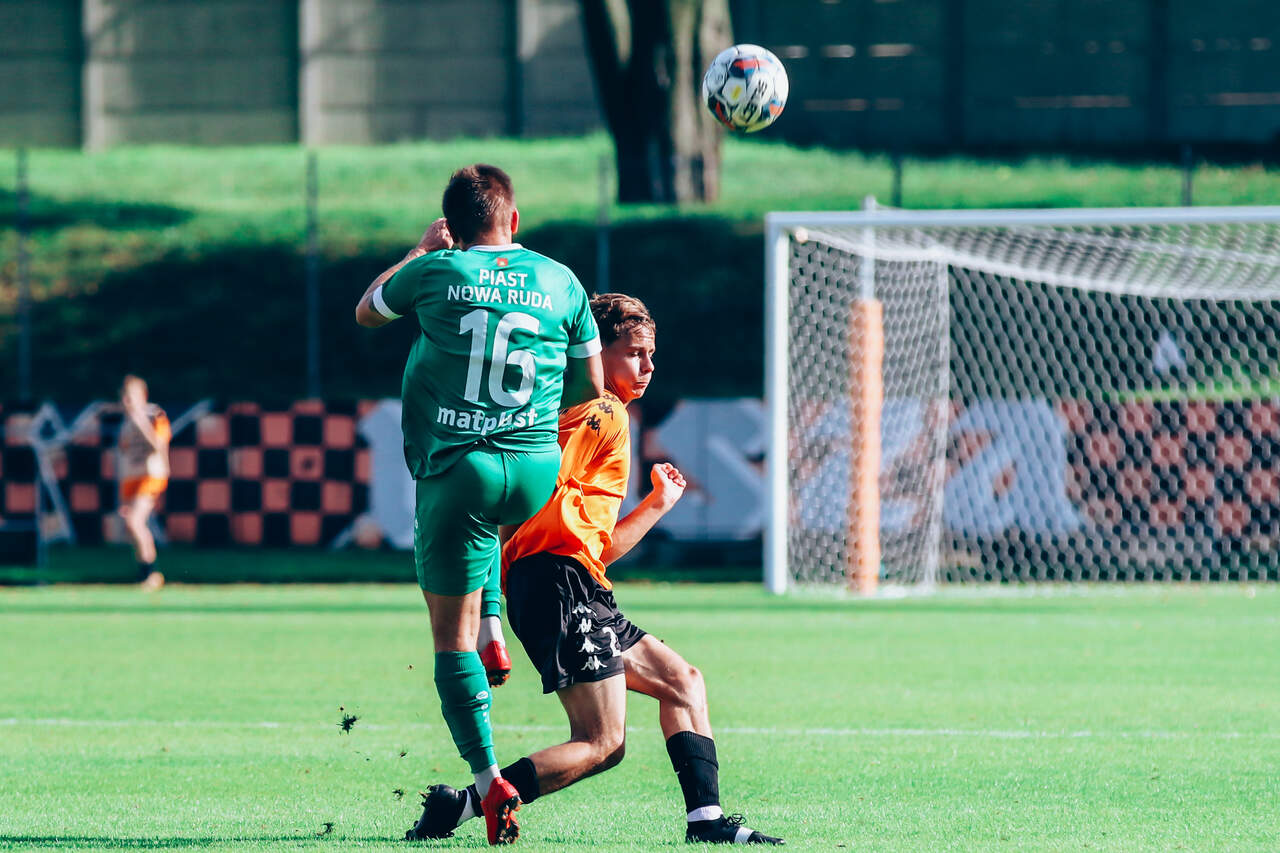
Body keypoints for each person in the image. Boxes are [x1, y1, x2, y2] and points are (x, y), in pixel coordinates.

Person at [406, 294, 783, 846]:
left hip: (576, 581)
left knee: (683, 682)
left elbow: (595, 548)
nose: (648, 366)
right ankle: (468, 803)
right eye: (633, 353)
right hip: (557, 583)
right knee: (602, 741)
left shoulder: (599, 412)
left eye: (651, 354)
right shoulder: (600, 411)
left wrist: (656, 505)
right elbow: (530, 493)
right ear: (594, 353)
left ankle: (705, 820)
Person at [355, 163, 604, 846]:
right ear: (512, 220)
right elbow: (591, 384)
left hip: (459, 469)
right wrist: (530, 418)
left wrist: (420, 249)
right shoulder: (559, 279)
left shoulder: (436, 270)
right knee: (489, 526)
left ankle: (489, 777)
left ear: (453, 227)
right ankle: (494, 619)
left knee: (449, 638)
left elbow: (368, 309)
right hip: (533, 468)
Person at [116, 375, 170, 591]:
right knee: (132, 526)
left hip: (151, 475)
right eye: (124, 397)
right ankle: (145, 572)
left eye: (131, 397)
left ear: (143, 396)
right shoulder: (126, 424)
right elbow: (125, 458)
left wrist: (140, 421)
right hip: (133, 478)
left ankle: (151, 572)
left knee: (135, 522)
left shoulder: (153, 415)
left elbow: (159, 446)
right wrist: (124, 495)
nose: (127, 402)